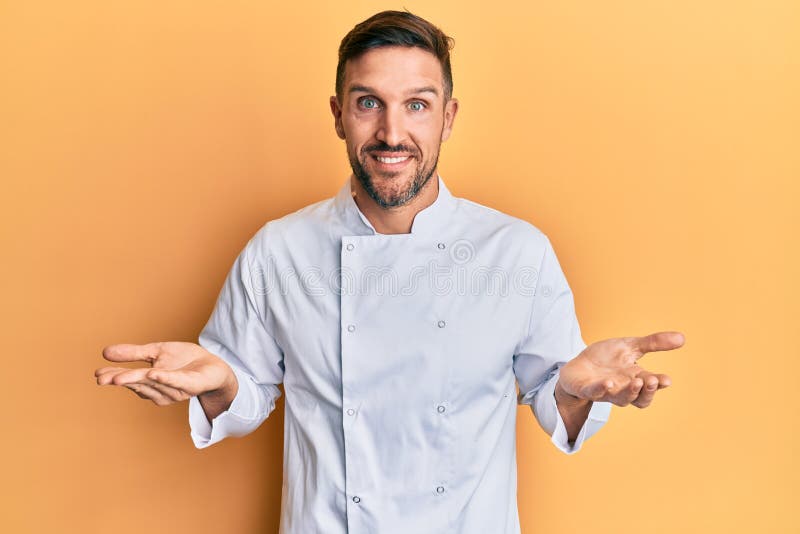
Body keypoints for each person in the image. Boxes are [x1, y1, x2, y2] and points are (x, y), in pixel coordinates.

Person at [95, 10, 684, 534]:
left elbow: (559, 401)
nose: (392, 133)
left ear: (448, 117)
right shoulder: (279, 252)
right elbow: (245, 394)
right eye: (368, 102)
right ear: (338, 114)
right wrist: (224, 383)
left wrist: (576, 391)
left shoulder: (516, 253)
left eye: (417, 105)